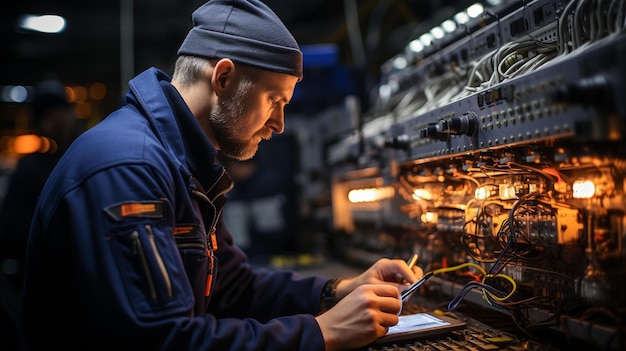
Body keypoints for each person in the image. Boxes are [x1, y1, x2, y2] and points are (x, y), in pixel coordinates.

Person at [18, 1, 423, 350]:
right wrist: (320, 333)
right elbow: (165, 341)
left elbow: (231, 288)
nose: (279, 124)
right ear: (224, 78)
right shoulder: (130, 169)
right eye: (274, 100)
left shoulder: (184, 166)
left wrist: (334, 292)